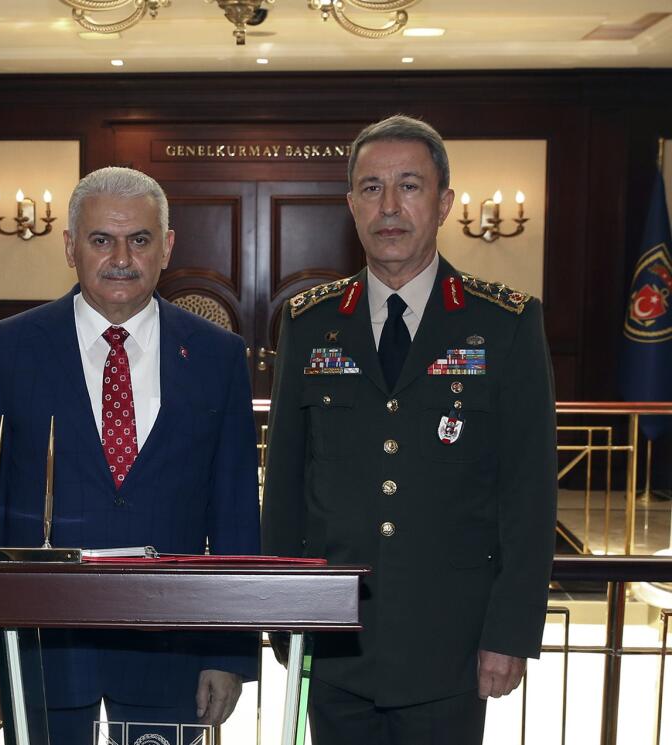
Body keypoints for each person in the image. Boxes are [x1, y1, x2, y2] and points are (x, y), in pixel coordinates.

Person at [262, 115, 557, 745]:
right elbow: (285, 482)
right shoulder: (310, 323)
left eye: (409, 186)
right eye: (371, 188)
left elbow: (529, 500)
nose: (389, 207)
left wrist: (509, 636)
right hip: (337, 642)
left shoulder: (504, 324)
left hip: (451, 647)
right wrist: (280, 612)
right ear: (350, 204)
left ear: (445, 202)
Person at [0, 166, 261, 744]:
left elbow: (237, 515)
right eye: (101, 240)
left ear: (166, 247)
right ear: (71, 247)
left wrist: (230, 649)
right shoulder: (10, 347)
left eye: (139, 240)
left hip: (172, 647)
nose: (121, 257)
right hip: (42, 644)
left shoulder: (218, 356)